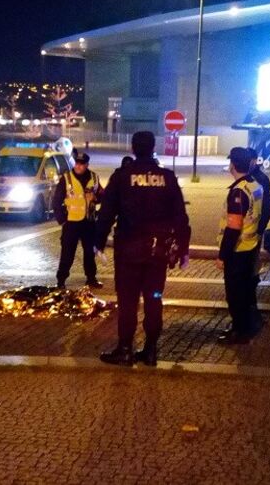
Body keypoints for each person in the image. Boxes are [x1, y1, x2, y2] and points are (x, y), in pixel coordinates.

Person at [95, 131, 190, 367]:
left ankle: (125, 349)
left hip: (129, 250)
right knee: (154, 298)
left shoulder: (122, 176)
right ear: (153, 147)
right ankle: (151, 349)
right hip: (157, 252)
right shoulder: (167, 177)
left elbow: (106, 213)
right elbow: (180, 216)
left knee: (128, 301)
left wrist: (98, 242)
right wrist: (183, 249)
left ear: (133, 148)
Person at [216, 147, 266, 344]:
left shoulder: (238, 191)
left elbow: (233, 227)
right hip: (251, 245)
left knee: (235, 294)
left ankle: (240, 331)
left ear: (233, 165)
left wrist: (222, 255)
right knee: (245, 292)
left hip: (237, 250)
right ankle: (247, 326)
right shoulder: (255, 185)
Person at [52, 152, 103, 289]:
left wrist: (95, 198)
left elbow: (102, 196)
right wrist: (62, 221)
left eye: (82, 164)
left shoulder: (94, 177)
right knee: (67, 253)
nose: (78, 166)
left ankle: (91, 278)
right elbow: (56, 201)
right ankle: (61, 281)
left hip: (89, 222)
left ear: (87, 165)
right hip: (71, 223)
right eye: (77, 163)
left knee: (89, 253)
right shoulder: (66, 178)